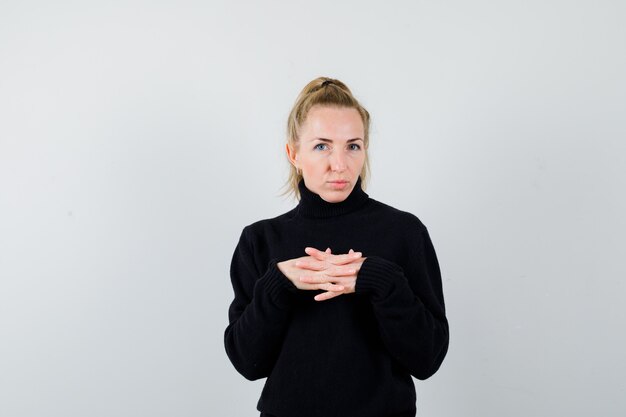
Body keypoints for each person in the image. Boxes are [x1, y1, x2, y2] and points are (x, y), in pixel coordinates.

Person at [224, 77, 449, 417]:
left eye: (353, 146)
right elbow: (247, 362)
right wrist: (277, 285)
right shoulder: (260, 240)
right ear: (293, 153)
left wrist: (382, 280)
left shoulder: (404, 232)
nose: (340, 164)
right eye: (322, 146)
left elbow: (427, 358)